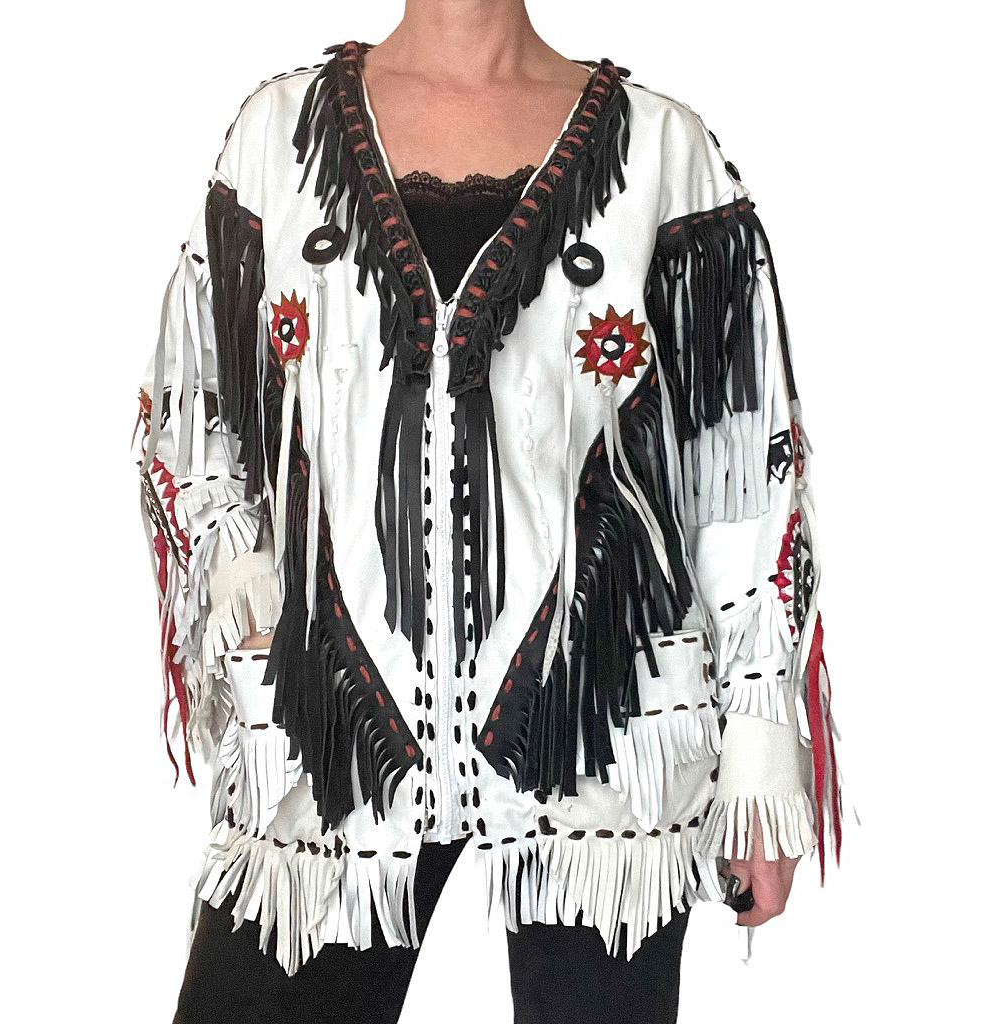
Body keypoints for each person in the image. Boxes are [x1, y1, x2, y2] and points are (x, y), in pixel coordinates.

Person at [134, 2, 843, 1021]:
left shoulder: (664, 151)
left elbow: (744, 458)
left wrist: (762, 749)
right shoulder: (275, 138)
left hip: (609, 728)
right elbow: (192, 399)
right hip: (335, 735)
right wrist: (238, 564)